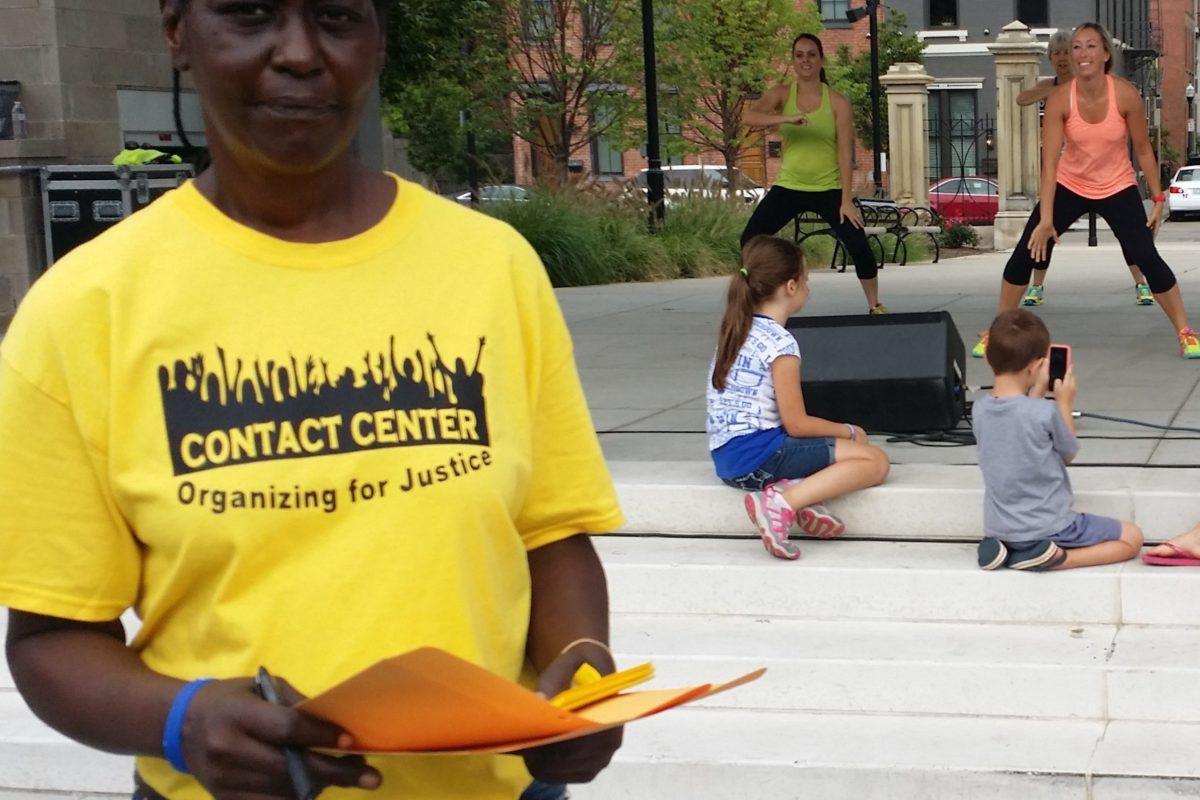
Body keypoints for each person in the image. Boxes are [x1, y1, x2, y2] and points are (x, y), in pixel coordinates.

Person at [0, 3, 624, 800]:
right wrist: (181, 718)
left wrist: (585, 667)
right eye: (250, 13)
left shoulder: (492, 269)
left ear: (378, 39)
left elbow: (554, 535)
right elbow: (51, 638)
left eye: (335, 16)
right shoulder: (84, 310)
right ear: (176, 31)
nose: (298, 53)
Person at [972, 22, 1200, 360]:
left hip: (1117, 185)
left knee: (1145, 255)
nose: (1082, 53)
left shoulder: (1124, 94)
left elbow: (1143, 148)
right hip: (1070, 183)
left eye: (1091, 46)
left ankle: (1185, 331)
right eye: (1076, 46)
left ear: (1106, 54)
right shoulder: (1060, 98)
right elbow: (1049, 163)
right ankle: (997, 329)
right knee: (1027, 252)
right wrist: (1046, 220)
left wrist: (1157, 198)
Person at [706, 235, 890, 560]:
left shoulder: (735, 331)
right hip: (758, 459)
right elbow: (797, 424)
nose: (808, 287)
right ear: (791, 287)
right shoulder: (781, 344)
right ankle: (783, 502)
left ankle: (800, 495)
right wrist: (848, 430)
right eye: (806, 280)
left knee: (832, 451)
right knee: (873, 460)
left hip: (726, 461)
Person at [972, 310, 1144, 571]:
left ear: (987, 357)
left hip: (999, 524)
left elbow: (1017, 425)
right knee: (1132, 537)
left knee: (1013, 535)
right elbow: (1068, 452)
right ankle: (1055, 559)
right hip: (1049, 525)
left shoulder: (980, 409)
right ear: (1037, 366)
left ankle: (1002, 547)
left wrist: (1037, 391)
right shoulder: (1044, 411)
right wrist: (1064, 402)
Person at [740, 33, 886, 315]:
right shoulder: (782, 94)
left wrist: (846, 200)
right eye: (799, 55)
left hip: (828, 189)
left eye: (811, 54)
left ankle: (874, 305)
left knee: (858, 244)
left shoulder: (837, 102)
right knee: (750, 239)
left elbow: (845, 153)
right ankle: (753, 304)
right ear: (793, 60)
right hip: (789, 187)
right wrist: (785, 118)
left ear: (821, 59)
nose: (805, 60)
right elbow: (749, 117)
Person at [1013, 30, 1155, 309]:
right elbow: (1021, 99)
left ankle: (1141, 283)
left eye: (1068, 52)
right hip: (1068, 178)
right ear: (1051, 58)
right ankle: (1036, 286)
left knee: (1131, 235)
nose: (1063, 58)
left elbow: (1139, 143)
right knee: (1044, 229)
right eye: (1057, 54)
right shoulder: (1052, 87)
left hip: (1109, 178)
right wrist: (1052, 91)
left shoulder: (1091, 82)